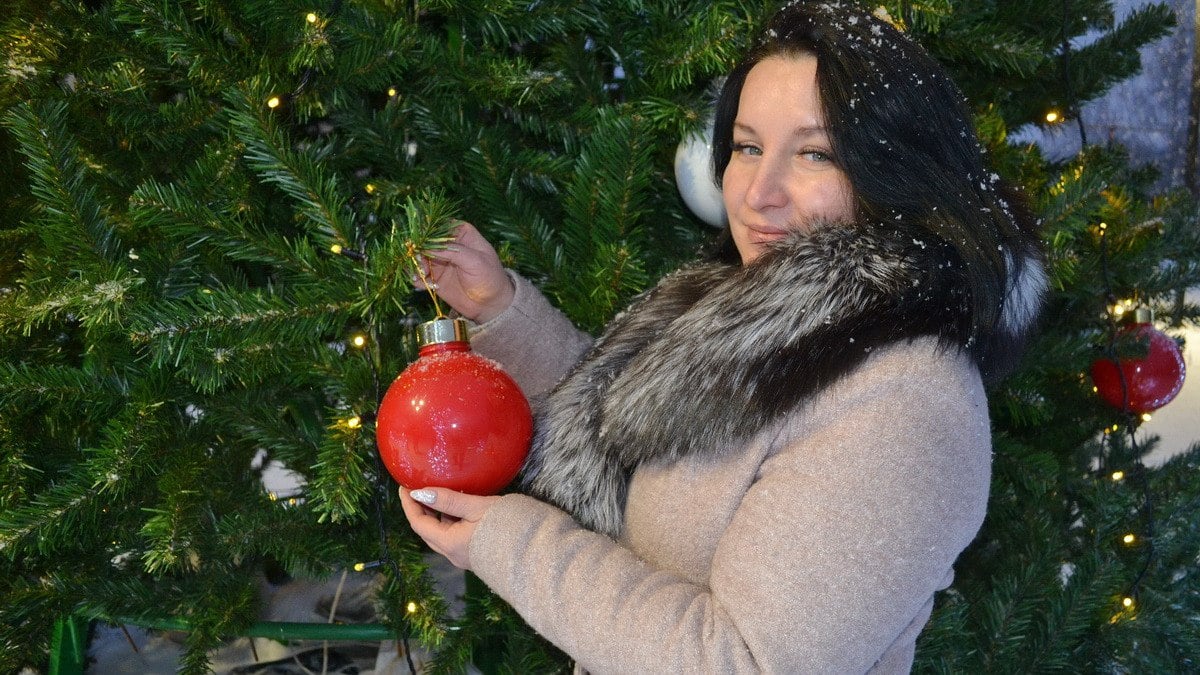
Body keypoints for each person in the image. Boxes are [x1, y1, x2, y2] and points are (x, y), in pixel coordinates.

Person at [399, 1, 1046, 672]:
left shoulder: (905, 401)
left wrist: (514, 544)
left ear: (894, 174)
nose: (758, 192)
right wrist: (499, 308)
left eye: (815, 152)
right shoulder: (756, 312)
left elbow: (743, 661)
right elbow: (625, 434)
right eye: (747, 146)